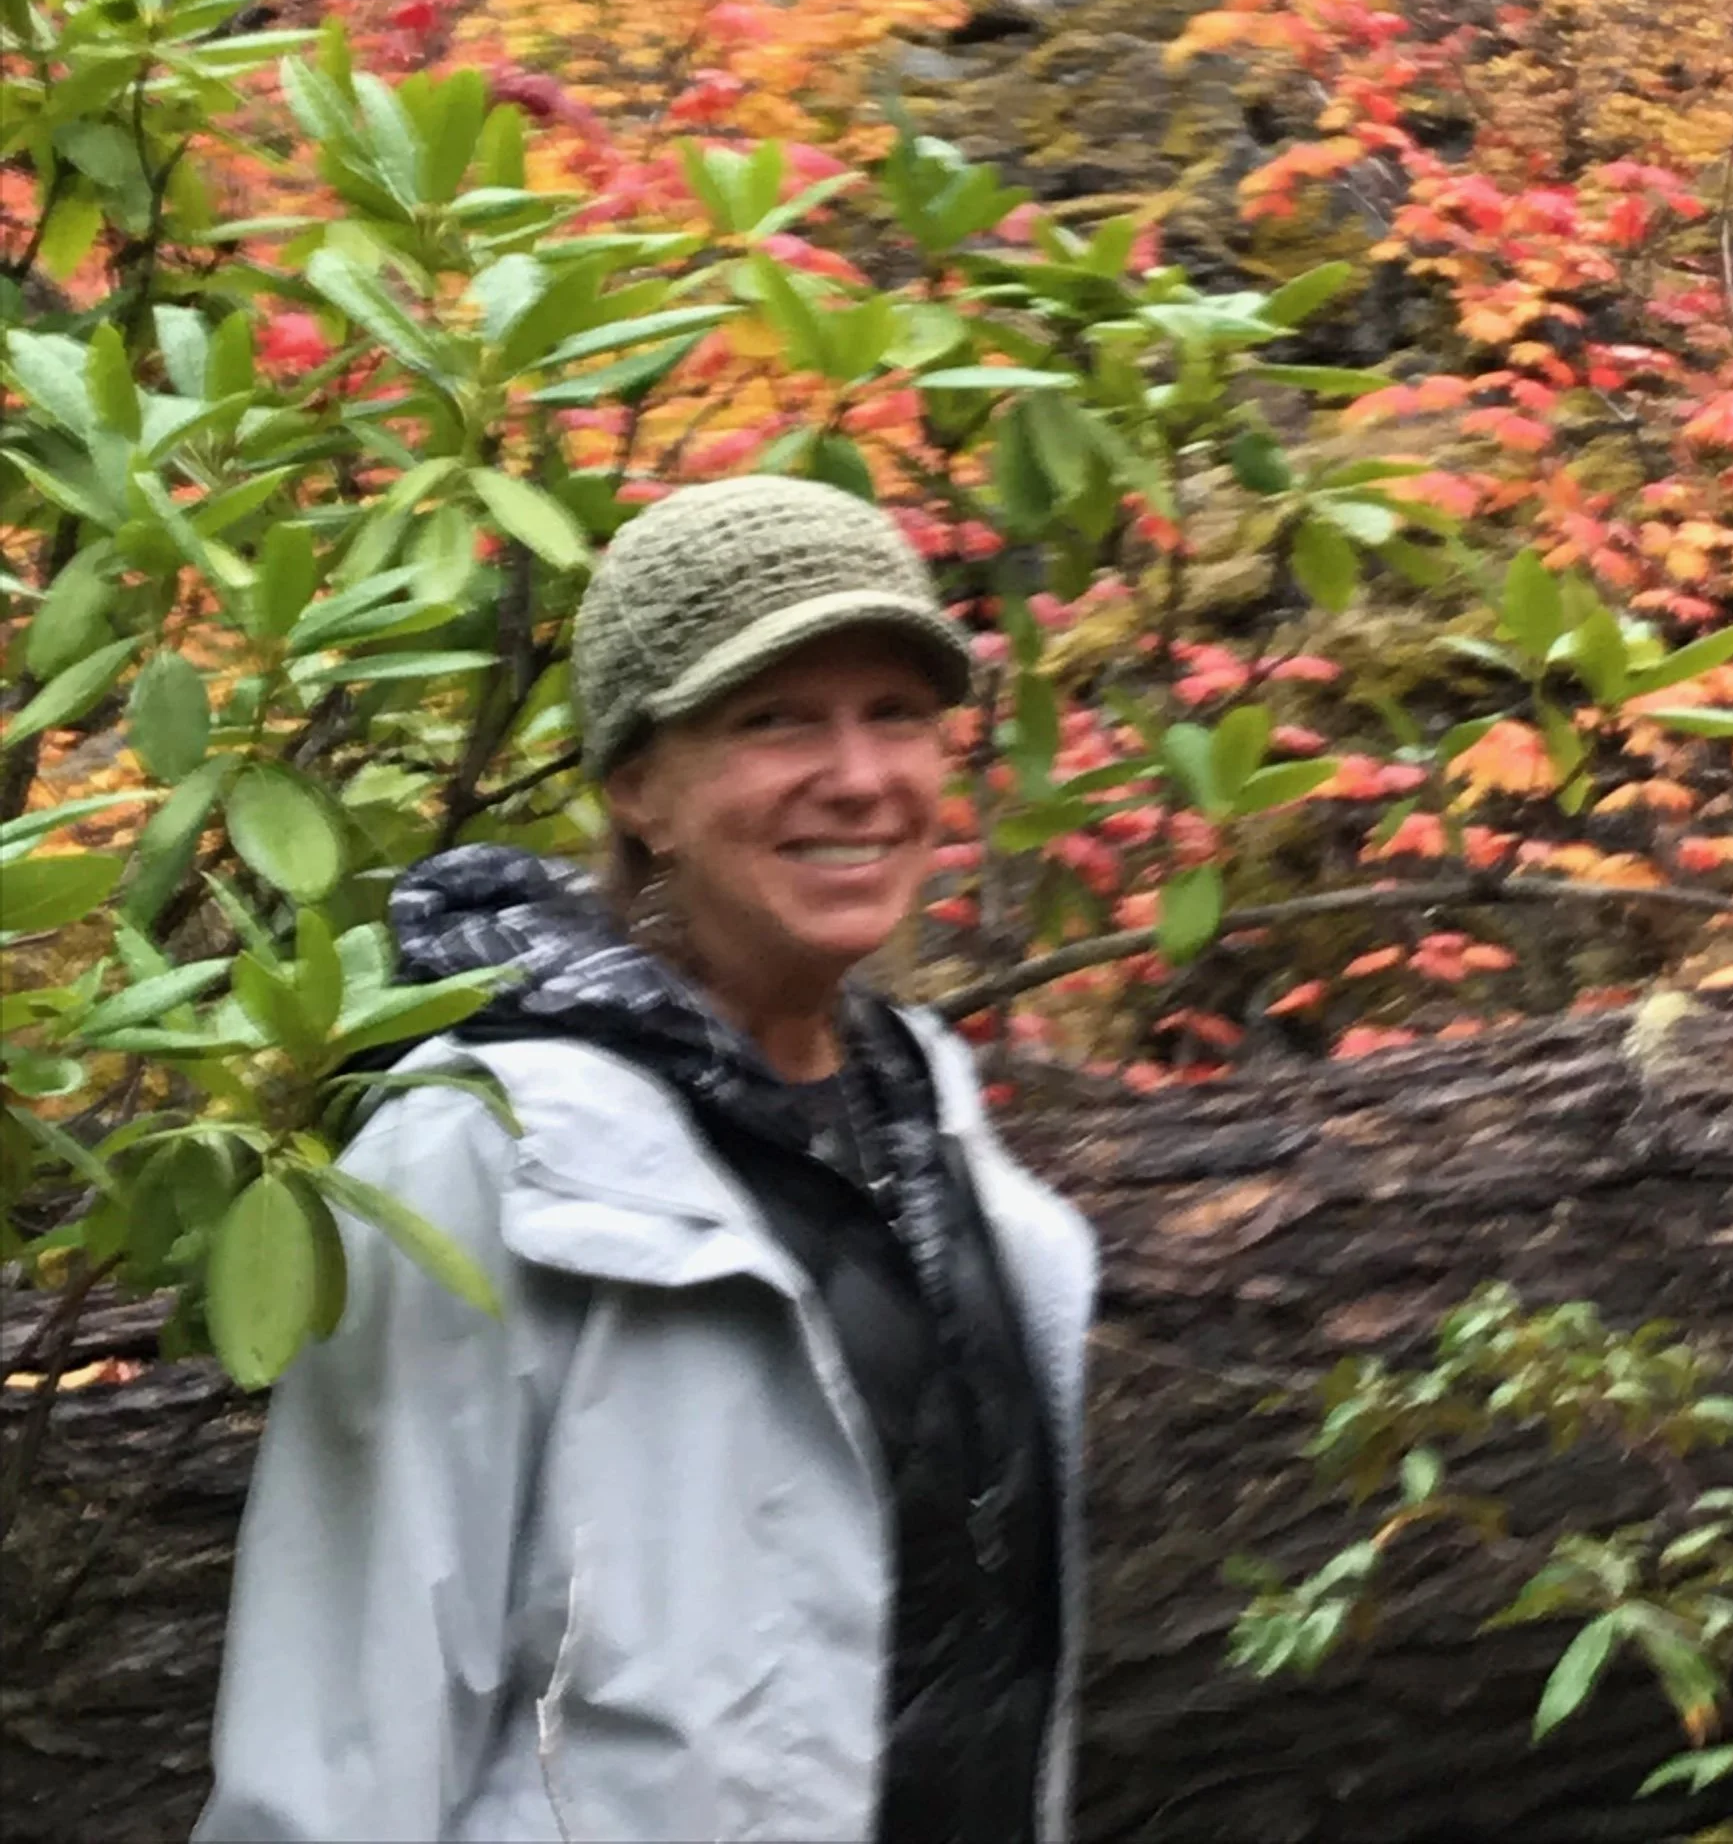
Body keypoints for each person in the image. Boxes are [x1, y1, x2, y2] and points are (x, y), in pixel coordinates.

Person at [197, 474, 1098, 1844]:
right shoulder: (485, 1150)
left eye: (896, 714)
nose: (859, 777)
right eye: (774, 719)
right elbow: (342, 1733)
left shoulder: (927, 1117)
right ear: (637, 787)